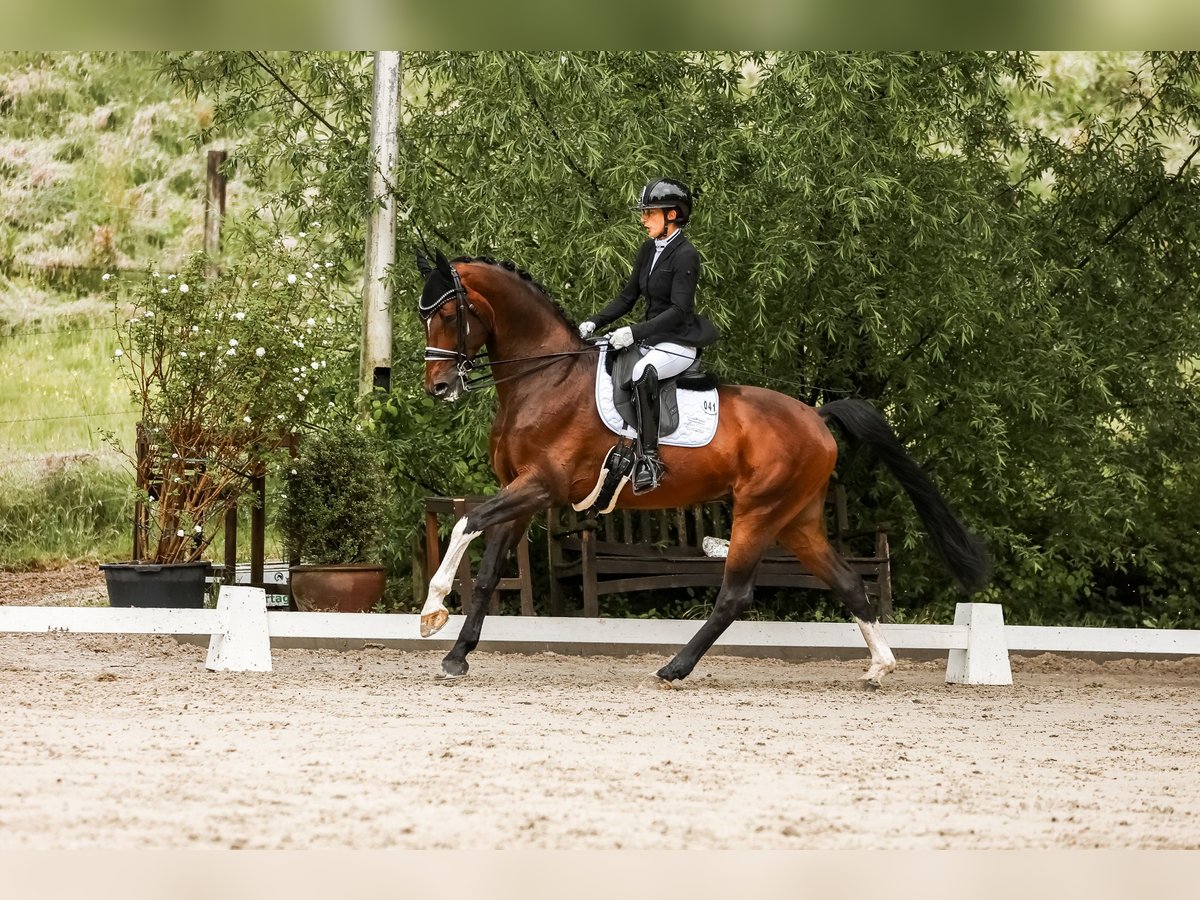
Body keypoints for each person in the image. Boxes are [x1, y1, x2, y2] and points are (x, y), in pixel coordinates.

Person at [578, 177, 720, 493]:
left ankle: (650, 460)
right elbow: (628, 296)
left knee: (642, 372)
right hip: (653, 339)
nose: (643, 219)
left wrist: (633, 331)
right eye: (644, 213)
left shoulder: (686, 255)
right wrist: (594, 322)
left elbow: (680, 310)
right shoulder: (648, 249)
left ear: (673, 214)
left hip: (679, 342)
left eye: (650, 213)